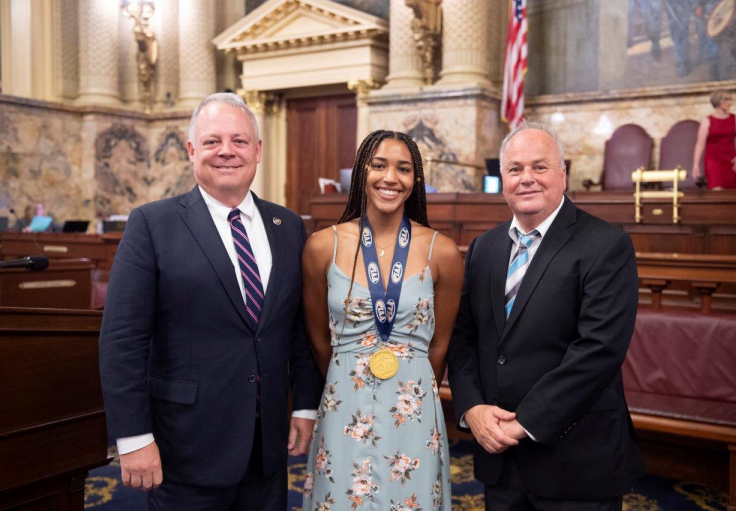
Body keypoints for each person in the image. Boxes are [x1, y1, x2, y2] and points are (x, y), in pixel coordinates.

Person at [99, 92, 323, 510]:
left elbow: (299, 329)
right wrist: (132, 436)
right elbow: (122, 340)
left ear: (257, 152)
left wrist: (306, 406)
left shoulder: (288, 226)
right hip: (184, 447)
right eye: (212, 141)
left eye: (239, 141)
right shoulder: (152, 224)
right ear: (191, 150)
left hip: (266, 449)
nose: (226, 151)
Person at [448, 121, 644, 510]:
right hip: (499, 457)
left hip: (575, 459)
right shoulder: (483, 248)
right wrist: (471, 408)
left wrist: (525, 423)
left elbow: (599, 349)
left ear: (563, 175)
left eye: (540, 167)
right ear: (502, 178)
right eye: (515, 169)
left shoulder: (606, 244)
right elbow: (463, 336)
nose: (527, 179)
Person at [301, 130, 463, 510]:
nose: (390, 177)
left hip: (413, 405)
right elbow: (318, 339)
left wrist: (411, 380)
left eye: (403, 169)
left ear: (414, 180)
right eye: (379, 165)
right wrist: (349, 373)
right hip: (344, 403)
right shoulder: (323, 246)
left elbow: (440, 345)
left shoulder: (443, 252)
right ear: (362, 173)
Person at [693, 90, 736, 190]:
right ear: (717, 101)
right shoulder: (707, 121)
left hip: (731, 160)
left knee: (734, 194)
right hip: (713, 160)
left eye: (730, 99)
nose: (729, 102)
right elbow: (700, 144)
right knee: (717, 191)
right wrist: (696, 165)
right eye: (726, 99)